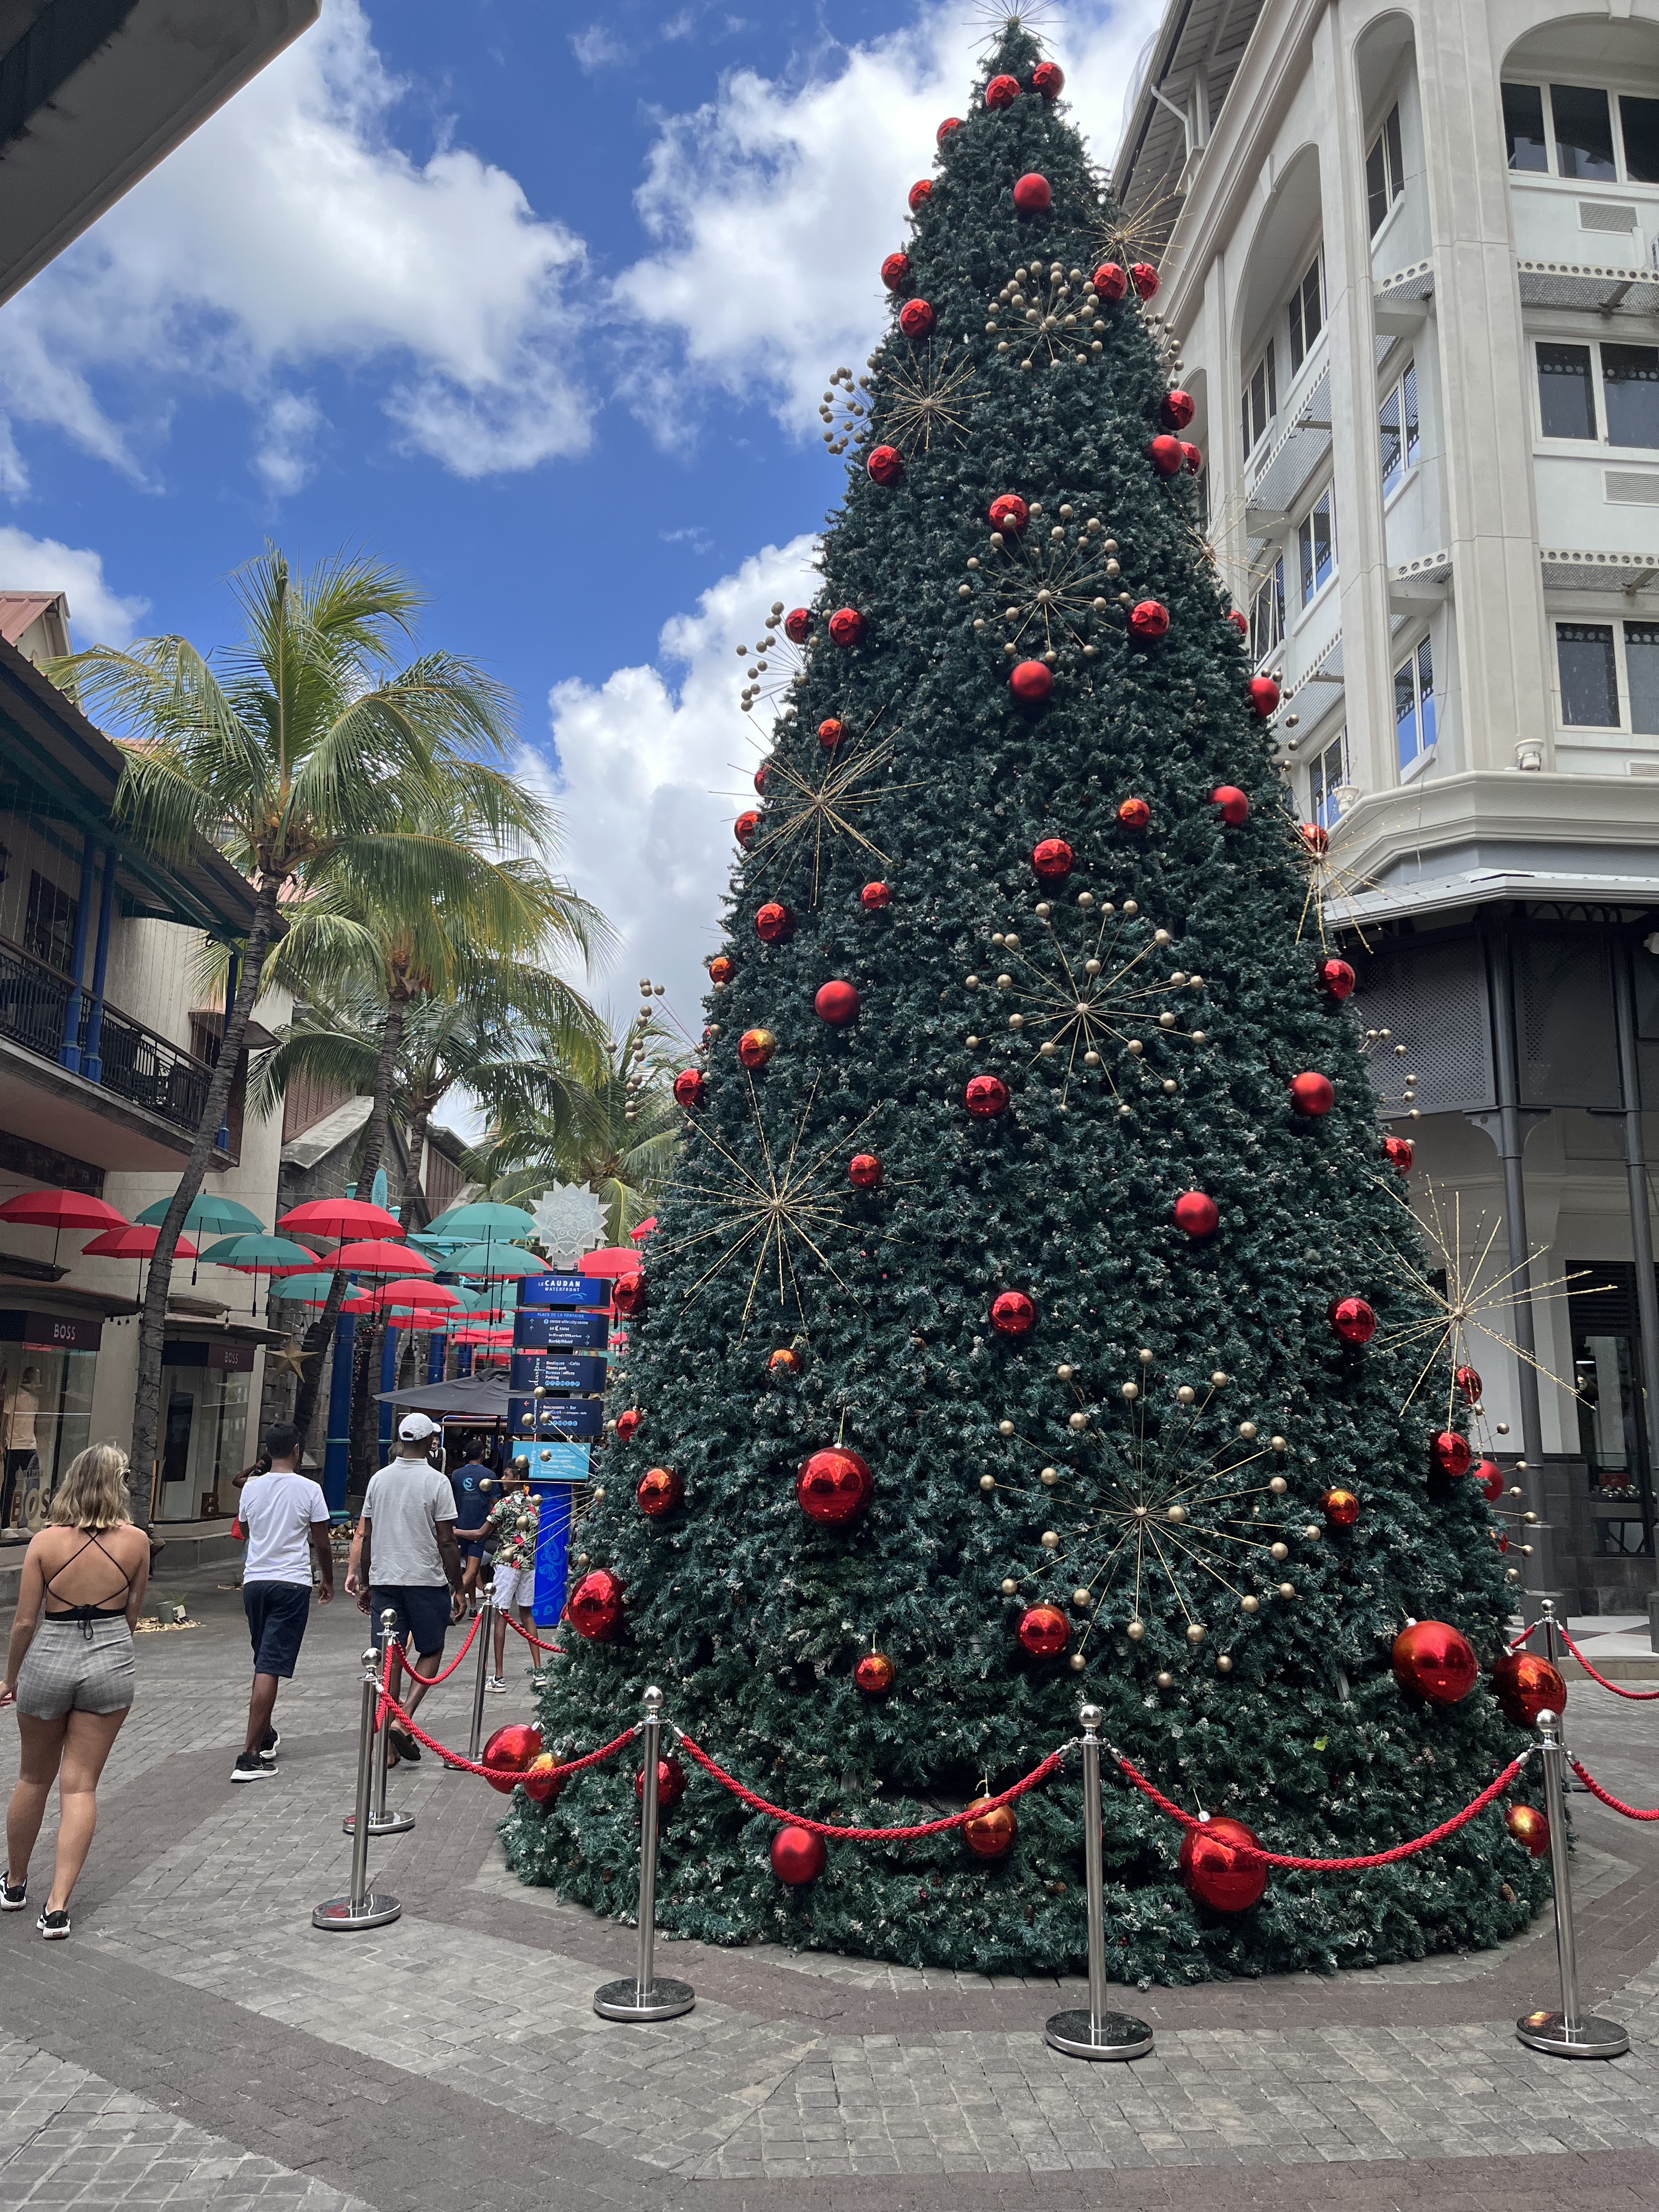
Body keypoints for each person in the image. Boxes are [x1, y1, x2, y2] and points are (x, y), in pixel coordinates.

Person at [0, 1443, 148, 1938]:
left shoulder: (44, 1543)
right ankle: (58, 1906)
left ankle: (16, 1883)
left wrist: (10, 1677)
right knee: (80, 1784)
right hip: (109, 1658)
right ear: (117, 1485)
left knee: (33, 1778)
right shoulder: (137, 1542)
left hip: (50, 1655)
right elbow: (131, 1615)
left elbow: (24, 1622)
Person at [346, 1413, 462, 1764]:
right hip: (425, 1580)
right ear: (430, 1443)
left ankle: (383, 1750)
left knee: (389, 1661)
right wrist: (459, 1587)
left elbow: (366, 1534)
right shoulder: (437, 1482)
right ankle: (404, 1719)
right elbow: (446, 1541)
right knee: (432, 1649)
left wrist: (367, 1580)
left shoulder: (378, 1480)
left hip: (386, 1580)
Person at [232, 1421, 332, 1782]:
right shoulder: (309, 1489)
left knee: (264, 1658)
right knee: (270, 1664)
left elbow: (243, 1528)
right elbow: (322, 1541)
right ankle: (249, 1755)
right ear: (295, 1451)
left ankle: (266, 1733)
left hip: (255, 1581)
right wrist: (327, 1580)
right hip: (291, 1582)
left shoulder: (252, 1488)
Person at [479, 1464, 540, 1694]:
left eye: (506, 1475)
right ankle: (539, 1672)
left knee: (501, 1616)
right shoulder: (535, 1504)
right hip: (529, 1564)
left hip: (508, 1565)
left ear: (517, 1478)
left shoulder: (504, 1505)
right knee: (527, 1613)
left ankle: (499, 1676)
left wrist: (453, 1532)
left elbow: (481, 1533)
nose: (502, 1479)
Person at [449, 1436, 495, 1612]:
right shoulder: (490, 1476)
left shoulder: (456, 1475)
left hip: (458, 1527)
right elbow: (495, 1503)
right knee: (472, 1569)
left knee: (466, 1570)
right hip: (479, 1529)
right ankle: (453, 1597)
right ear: (483, 1454)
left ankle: (472, 1607)